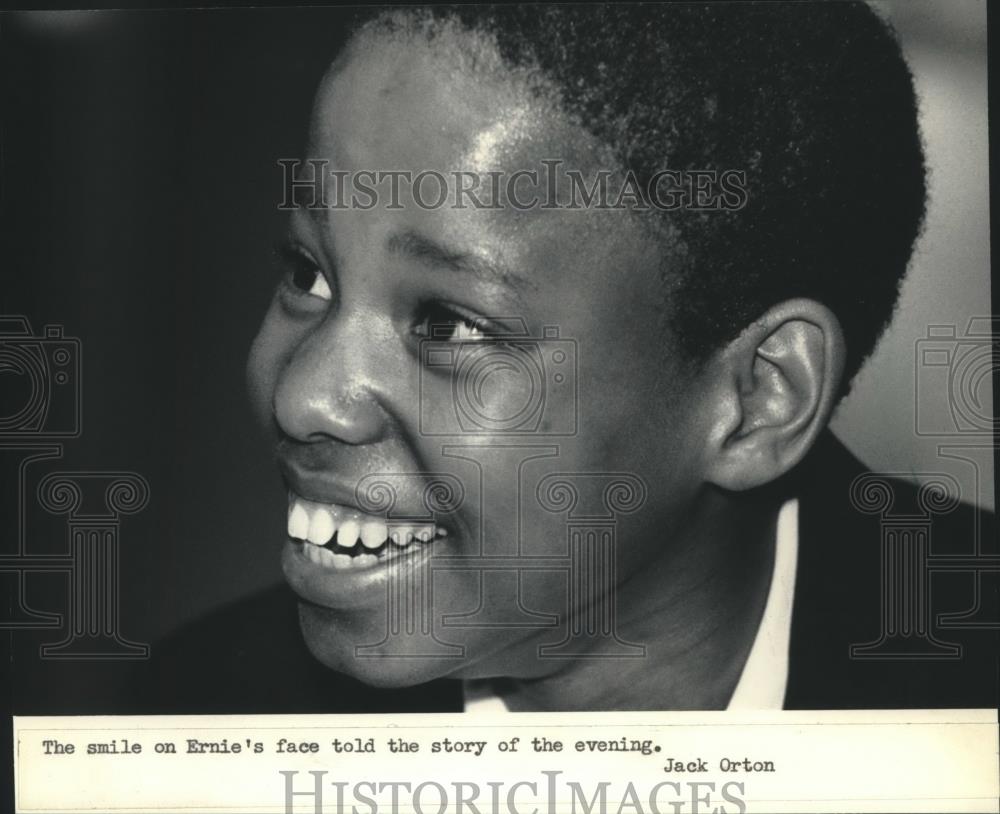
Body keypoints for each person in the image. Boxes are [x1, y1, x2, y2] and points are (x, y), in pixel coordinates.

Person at [145, 2, 997, 712]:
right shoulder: (188, 725)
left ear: (757, 399)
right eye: (308, 274)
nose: (305, 397)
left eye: (447, 324)